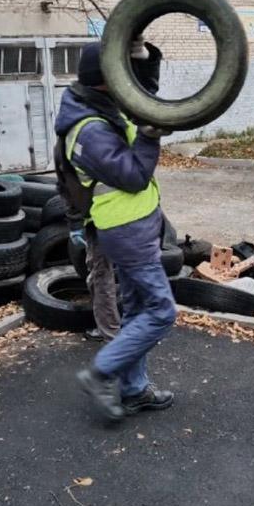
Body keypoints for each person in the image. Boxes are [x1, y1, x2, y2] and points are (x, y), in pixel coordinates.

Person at [54, 36, 176, 422]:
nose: (129, 78)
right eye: (122, 69)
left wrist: (143, 55)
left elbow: (145, 96)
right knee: (161, 312)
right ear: (106, 79)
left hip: (137, 226)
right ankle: (101, 371)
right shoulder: (88, 130)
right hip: (124, 231)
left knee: (140, 307)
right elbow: (134, 176)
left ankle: (135, 389)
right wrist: (150, 135)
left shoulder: (100, 103)